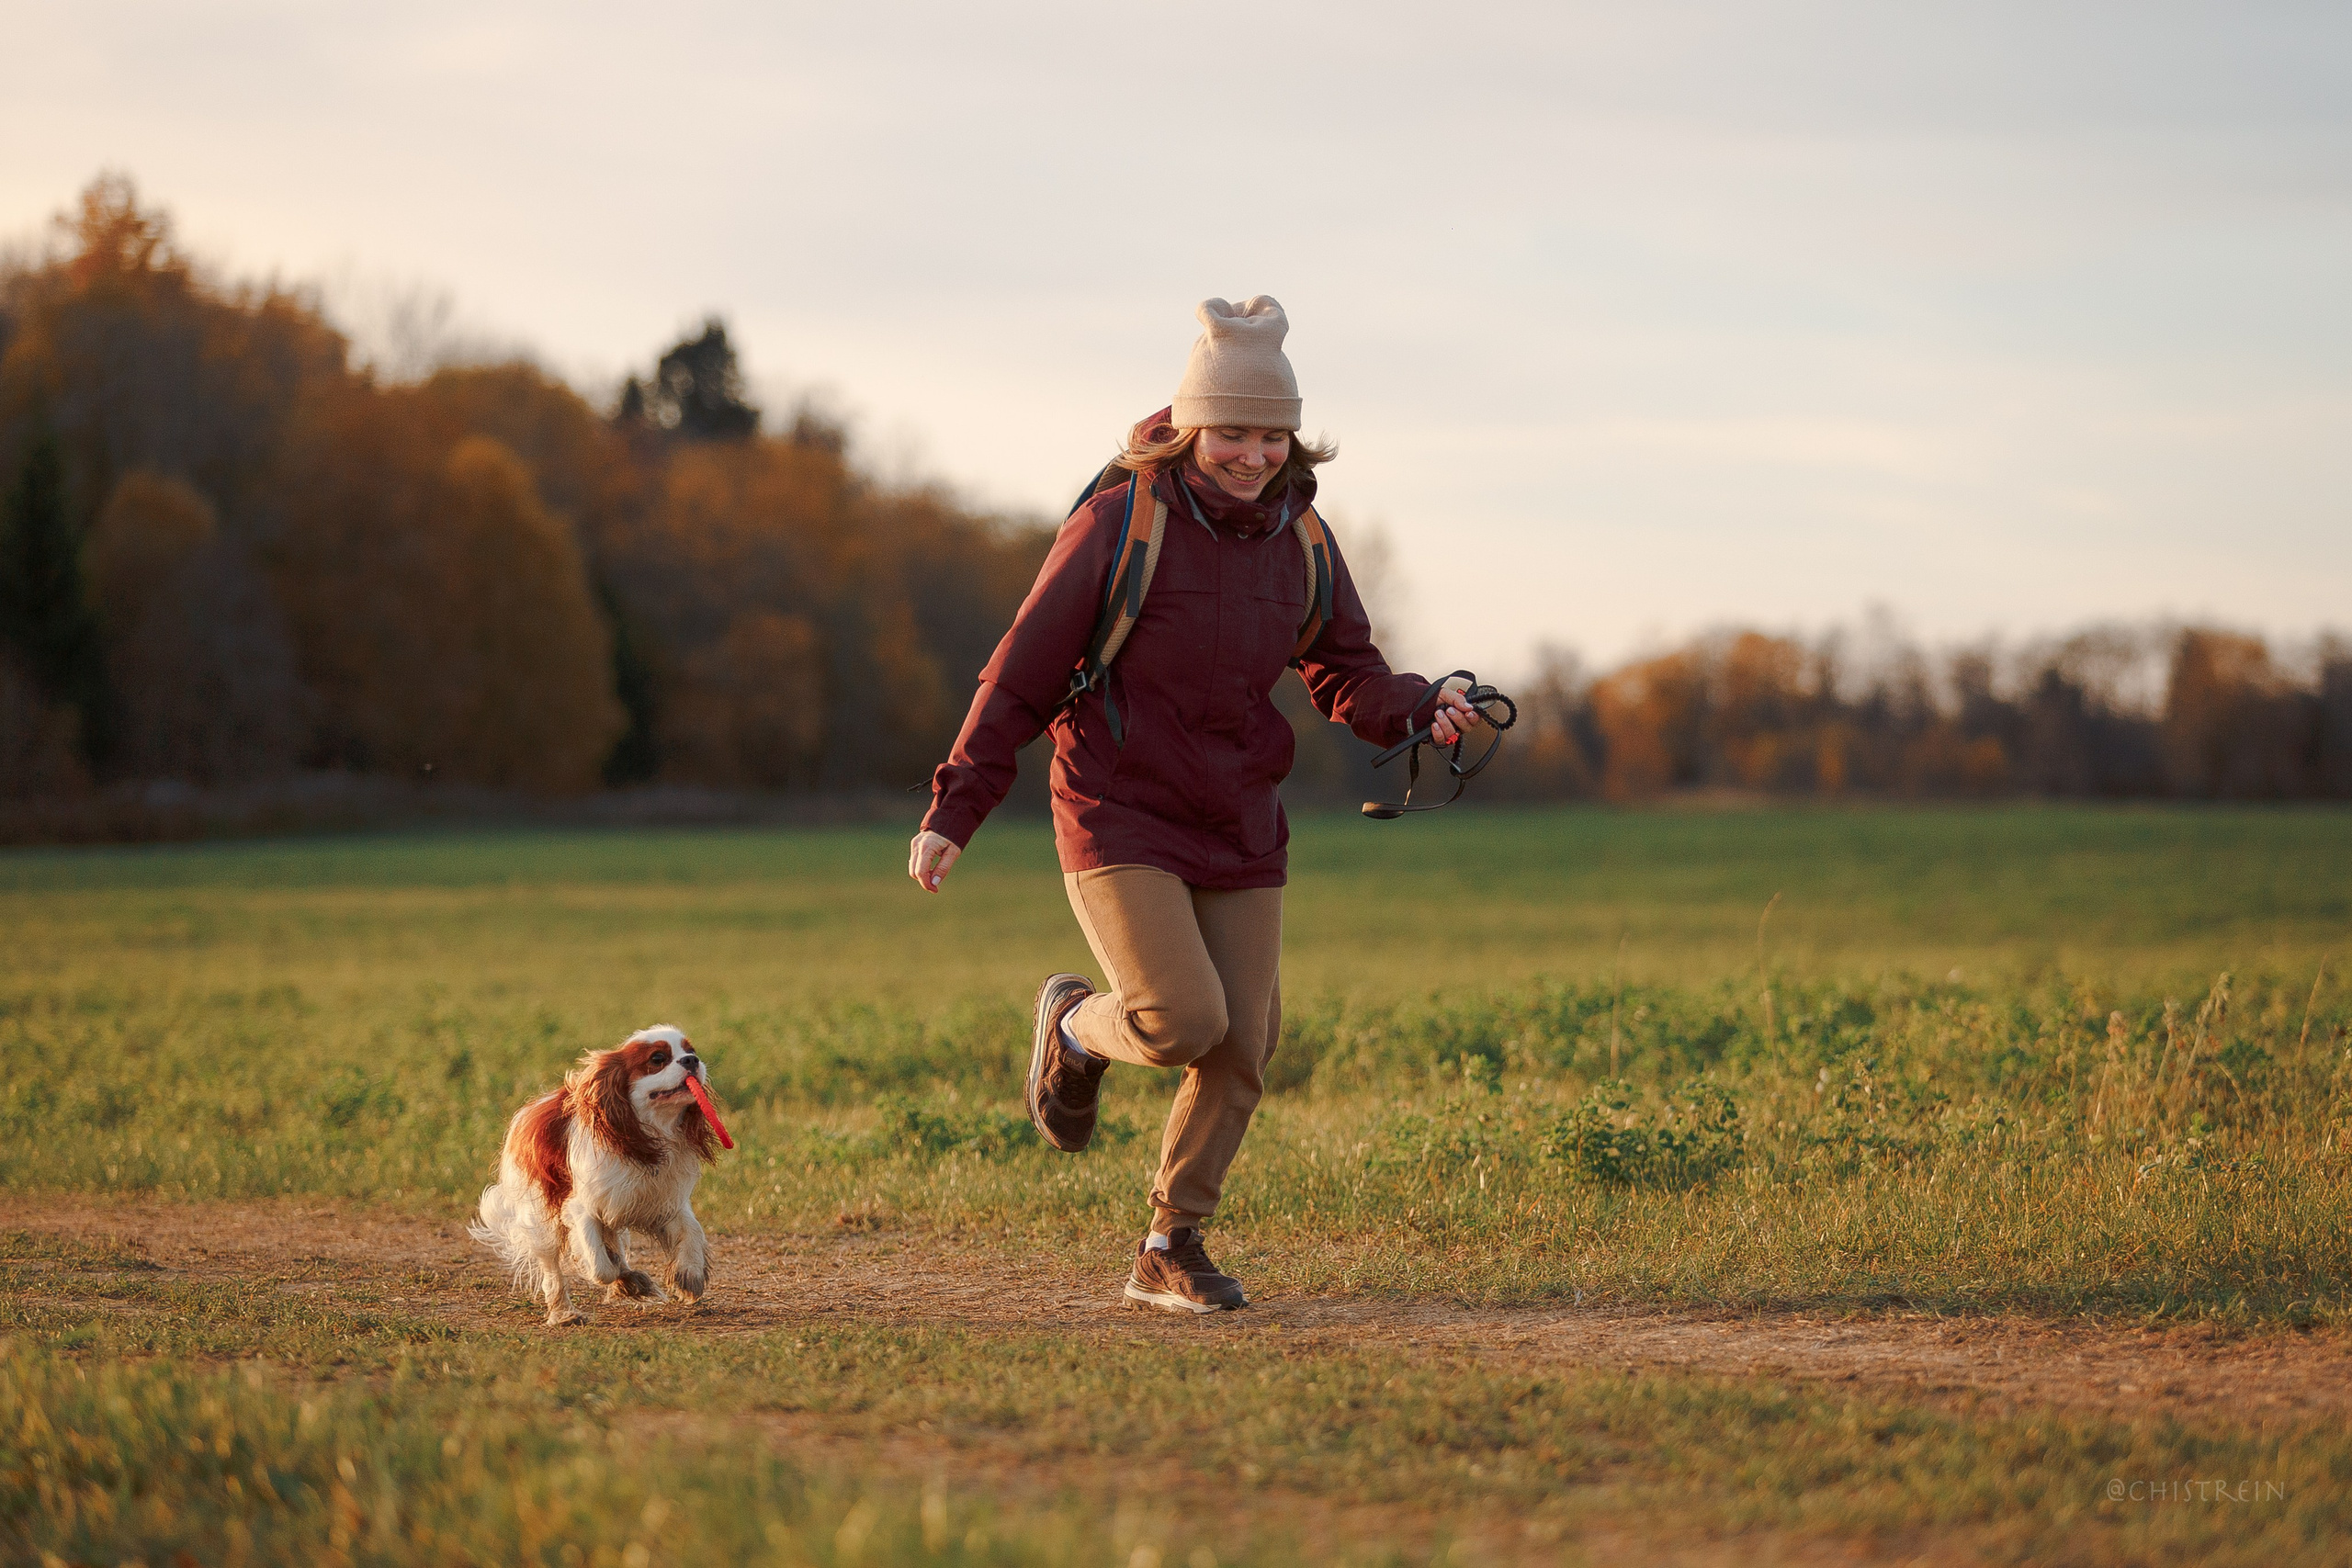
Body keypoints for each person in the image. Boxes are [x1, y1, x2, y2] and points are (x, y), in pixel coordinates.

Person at [907, 296, 1482, 1313]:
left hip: (1237, 814)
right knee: (1181, 1019)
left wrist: (1416, 707)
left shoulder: (1300, 534)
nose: (1253, 454)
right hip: (1117, 807)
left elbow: (1345, 669)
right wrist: (955, 806)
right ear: (1186, 425)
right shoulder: (1121, 521)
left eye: (1272, 434)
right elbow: (1022, 672)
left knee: (1243, 1047)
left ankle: (1169, 1242)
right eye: (1231, 432)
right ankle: (1075, 1031)